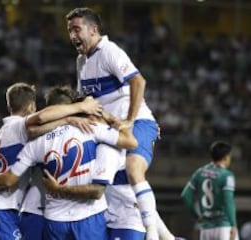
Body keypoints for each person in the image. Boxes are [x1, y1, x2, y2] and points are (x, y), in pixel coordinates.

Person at [66, 7, 173, 240]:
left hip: (136, 122)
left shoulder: (109, 51)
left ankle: (152, 234)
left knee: (134, 171)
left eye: (76, 29)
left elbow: (138, 81)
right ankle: (168, 237)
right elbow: (84, 100)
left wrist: (130, 120)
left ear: (93, 30)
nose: (72, 35)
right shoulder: (81, 61)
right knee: (120, 186)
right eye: (69, 30)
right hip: (109, 128)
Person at [0, 86, 138, 240]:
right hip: (89, 214)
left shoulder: (35, 141)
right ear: (70, 107)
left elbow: (10, 178)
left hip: (52, 218)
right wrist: (108, 117)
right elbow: (131, 142)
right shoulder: (90, 127)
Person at [181, 141, 238, 240]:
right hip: (224, 226)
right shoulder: (226, 175)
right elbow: (228, 201)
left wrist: (197, 216)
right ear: (226, 157)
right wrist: (233, 224)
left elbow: (185, 195)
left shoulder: (200, 172)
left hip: (206, 228)